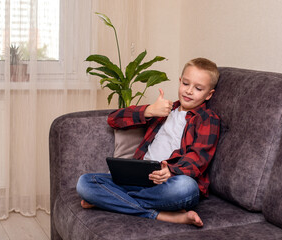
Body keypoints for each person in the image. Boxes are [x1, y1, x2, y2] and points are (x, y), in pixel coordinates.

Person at [76, 58, 220, 227]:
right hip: (138, 179)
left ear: (209, 94)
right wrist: (149, 111)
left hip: (169, 183)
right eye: (186, 84)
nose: (189, 91)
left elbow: (198, 158)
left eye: (198, 88)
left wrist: (172, 172)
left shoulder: (208, 119)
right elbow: (113, 119)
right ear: (180, 81)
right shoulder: (163, 110)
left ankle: (111, 200)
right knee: (85, 182)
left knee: (186, 187)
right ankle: (161, 215)